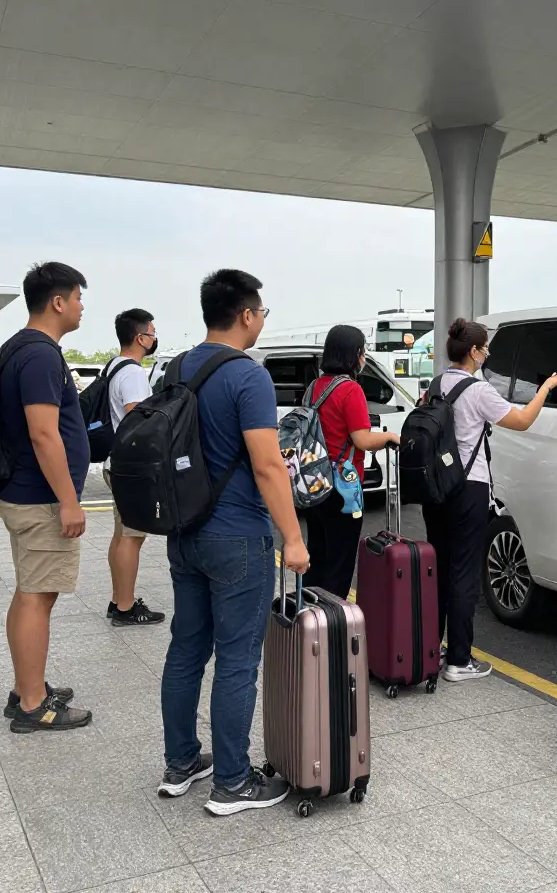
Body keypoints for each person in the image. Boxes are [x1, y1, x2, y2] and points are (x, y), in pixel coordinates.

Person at [158, 269, 310, 817]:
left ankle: (181, 763)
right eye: (262, 312)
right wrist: (291, 538)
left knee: (186, 649)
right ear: (246, 315)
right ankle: (233, 782)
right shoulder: (249, 376)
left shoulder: (177, 367)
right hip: (238, 538)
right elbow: (269, 465)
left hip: (184, 533)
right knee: (238, 659)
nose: (262, 321)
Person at [426, 318, 557, 682]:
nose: (487, 353)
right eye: (485, 348)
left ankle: (435, 650)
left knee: (441, 569)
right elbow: (521, 421)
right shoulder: (478, 390)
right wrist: (545, 389)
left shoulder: (438, 383)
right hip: (467, 488)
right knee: (464, 574)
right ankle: (459, 660)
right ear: (473, 352)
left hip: (437, 487)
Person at [0, 262, 93, 733]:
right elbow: (43, 433)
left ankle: (25, 685)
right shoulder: (39, 355)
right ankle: (33, 704)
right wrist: (69, 501)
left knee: (30, 592)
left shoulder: (19, 346)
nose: (81, 307)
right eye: (78, 298)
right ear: (58, 302)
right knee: (38, 595)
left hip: (26, 493)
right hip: (40, 499)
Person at [302, 324, 399, 599]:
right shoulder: (350, 389)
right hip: (342, 488)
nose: (364, 357)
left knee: (318, 554)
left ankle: (309, 622)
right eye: (363, 351)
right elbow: (363, 440)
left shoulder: (313, 387)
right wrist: (390, 436)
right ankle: (331, 626)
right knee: (340, 562)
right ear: (355, 354)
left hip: (315, 482)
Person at [102, 309, 165, 627]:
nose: (155, 338)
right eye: (152, 333)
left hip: (116, 464)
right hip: (132, 469)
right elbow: (137, 421)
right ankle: (126, 608)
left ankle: (118, 599)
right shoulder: (135, 374)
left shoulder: (114, 366)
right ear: (140, 337)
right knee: (132, 537)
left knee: (121, 535)